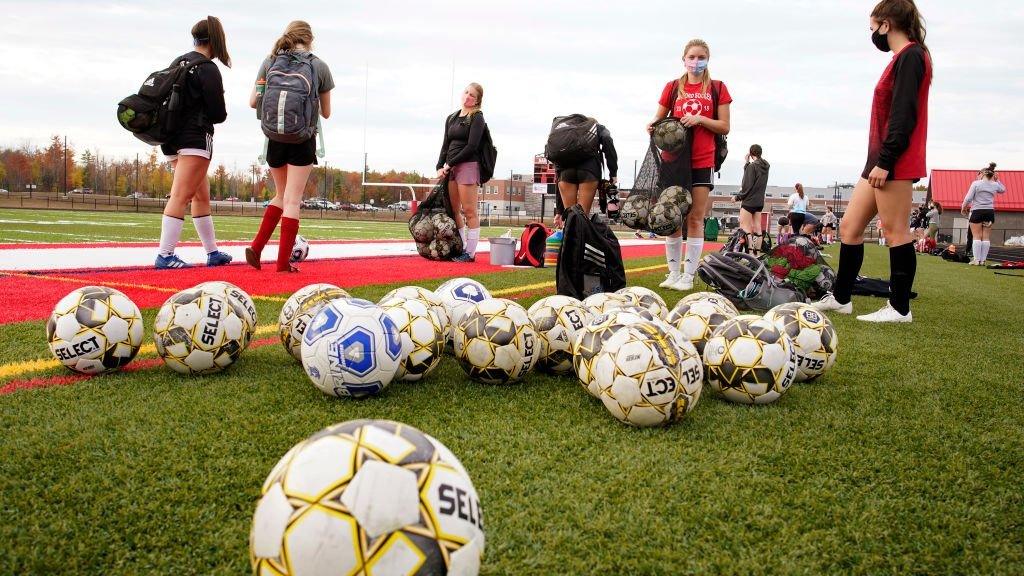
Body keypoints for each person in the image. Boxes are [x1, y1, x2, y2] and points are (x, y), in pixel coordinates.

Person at [814, 0, 932, 323]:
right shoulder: (899, 59)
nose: (873, 35)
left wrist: (887, 161)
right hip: (877, 161)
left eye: (873, 28)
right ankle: (841, 298)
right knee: (850, 227)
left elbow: (904, 115)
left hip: (893, 161)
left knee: (896, 233)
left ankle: (899, 308)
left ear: (886, 25)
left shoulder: (911, 56)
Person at [245, 21, 334, 273]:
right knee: (293, 200)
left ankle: (257, 246)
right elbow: (326, 113)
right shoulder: (318, 66)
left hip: (274, 137)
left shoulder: (270, 61)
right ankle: (282, 264)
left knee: (279, 195)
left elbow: (253, 102)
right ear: (309, 39)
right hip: (302, 139)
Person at [647, 38, 732, 290]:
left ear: (707, 59)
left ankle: (688, 276)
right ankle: (673, 273)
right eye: (691, 57)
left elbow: (725, 126)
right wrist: (652, 126)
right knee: (672, 216)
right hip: (672, 161)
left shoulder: (718, 88)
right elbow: (658, 119)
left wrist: (700, 119)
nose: (696, 62)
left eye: (701, 57)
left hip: (702, 159)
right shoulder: (672, 87)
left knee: (695, 217)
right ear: (683, 59)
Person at [154, 16, 233, 269]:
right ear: (216, 39)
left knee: (201, 195)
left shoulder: (179, 62)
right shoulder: (208, 68)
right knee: (181, 194)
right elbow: (218, 114)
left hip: (171, 138)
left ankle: (212, 252)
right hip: (194, 138)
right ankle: (165, 255)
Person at [437, 83, 487, 263]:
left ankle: (471, 253)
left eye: (472, 95)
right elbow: (445, 144)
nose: (468, 97)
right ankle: (460, 246)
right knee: (454, 210)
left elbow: (471, 146)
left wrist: (449, 164)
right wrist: (439, 165)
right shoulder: (451, 117)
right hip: (451, 168)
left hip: (467, 166)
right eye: (466, 92)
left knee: (469, 211)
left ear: (477, 101)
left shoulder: (477, 118)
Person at [553, 122, 619, 227]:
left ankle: (569, 242)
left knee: (570, 217)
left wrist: (559, 211)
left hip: (565, 170)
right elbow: (607, 139)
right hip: (589, 169)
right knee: (582, 216)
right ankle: (582, 241)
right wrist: (613, 172)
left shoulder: (565, 130)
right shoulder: (597, 127)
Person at [961, 162, 1006, 266]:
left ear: (982, 173)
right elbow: (1003, 189)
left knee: (976, 236)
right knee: (985, 237)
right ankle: (983, 260)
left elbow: (968, 198)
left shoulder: (976, 183)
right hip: (989, 212)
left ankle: (976, 260)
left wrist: (963, 207)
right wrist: (997, 179)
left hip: (977, 211)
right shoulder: (995, 185)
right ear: (992, 174)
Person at [733, 144, 769, 254]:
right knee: (757, 228)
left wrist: (738, 197)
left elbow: (747, 185)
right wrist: (747, 164)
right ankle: (757, 253)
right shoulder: (766, 166)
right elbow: (753, 176)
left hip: (749, 201)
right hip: (759, 202)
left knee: (745, 227)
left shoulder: (752, 167)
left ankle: (749, 254)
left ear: (751, 153)